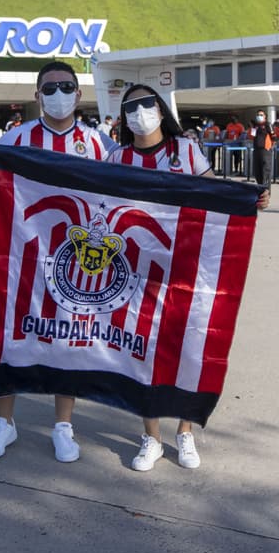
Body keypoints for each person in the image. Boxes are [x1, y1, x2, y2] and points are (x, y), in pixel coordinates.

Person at [106, 84, 269, 472]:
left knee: (186, 349)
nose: (140, 112)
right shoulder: (117, 157)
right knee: (140, 352)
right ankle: (152, 436)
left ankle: (184, 432)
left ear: (161, 111)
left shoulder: (185, 151)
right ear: (124, 116)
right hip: (136, 272)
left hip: (185, 267)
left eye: (147, 104)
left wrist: (249, 197)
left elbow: (214, 190)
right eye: (131, 107)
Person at [0, 61, 113, 464]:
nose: (58, 93)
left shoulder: (100, 144)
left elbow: (140, 187)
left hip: (74, 264)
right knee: (9, 334)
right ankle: (4, 423)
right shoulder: (15, 138)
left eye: (66, 86)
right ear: (36, 95)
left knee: (69, 339)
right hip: (20, 257)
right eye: (50, 87)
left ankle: (63, 426)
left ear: (79, 95)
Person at [248, 110, 273, 186]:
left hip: (265, 150)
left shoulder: (267, 125)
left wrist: (269, 147)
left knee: (265, 172)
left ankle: (266, 191)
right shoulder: (255, 126)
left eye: (261, 115)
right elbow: (251, 137)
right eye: (258, 115)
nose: (259, 116)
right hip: (256, 150)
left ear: (265, 116)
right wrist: (252, 128)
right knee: (257, 172)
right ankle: (260, 187)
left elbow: (274, 136)